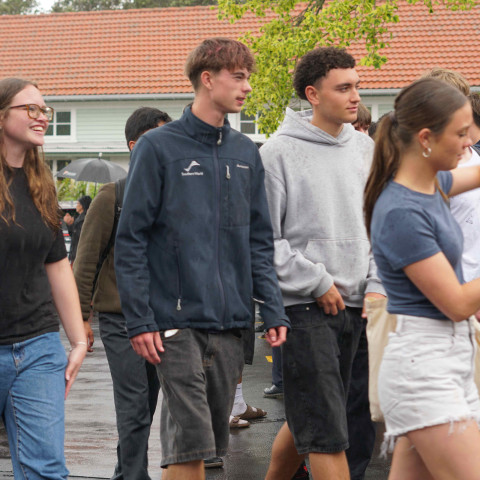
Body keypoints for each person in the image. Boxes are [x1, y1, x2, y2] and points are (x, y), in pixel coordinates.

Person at [114, 37, 290, 480]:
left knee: (206, 445)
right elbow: (131, 239)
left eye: (247, 76)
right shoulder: (157, 147)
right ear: (207, 80)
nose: (247, 86)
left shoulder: (246, 152)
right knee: (191, 439)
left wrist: (272, 307)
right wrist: (140, 319)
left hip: (229, 321)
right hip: (173, 322)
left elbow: (259, 240)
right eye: (239, 77)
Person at [261, 47, 385, 480]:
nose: (356, 97)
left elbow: (379, 226)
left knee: (309, 420)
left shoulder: (366, 148)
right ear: (313, 94)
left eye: (357, 86)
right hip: (306, 308)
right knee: (329, 431)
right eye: (344, 87)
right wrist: (316, 282)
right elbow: (264, 240)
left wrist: (375, 283)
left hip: (360, 304)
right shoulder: (276, 154)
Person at [364, 77, 480, 479]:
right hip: (424, 369)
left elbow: (476, 173)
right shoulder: (401, 211)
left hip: (446, 360)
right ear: (427, 138)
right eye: (462, 133)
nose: (470, 143)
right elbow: (458, 303)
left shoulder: (433, 185)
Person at [73, 107, 172, 480]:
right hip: (119, 319)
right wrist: (82, 319)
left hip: (163, 317)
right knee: (133, 404)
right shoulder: (112, 196)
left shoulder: (174, 194)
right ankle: (134, 475)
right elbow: (85, 262)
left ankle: (124, 470)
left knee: (148, 402)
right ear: (136, 146)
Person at [0, 77, 87, 479]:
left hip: (37, 348)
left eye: (44, 110)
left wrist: (80, 340)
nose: (41, 117)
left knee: (46, 470)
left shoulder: (41, 186)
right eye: (30, 109)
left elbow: (57, 265)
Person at [64, 194, 91, 264]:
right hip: (76, 253)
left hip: (77, 254)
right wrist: (70, 224)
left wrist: (70, 224)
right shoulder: (79, 218)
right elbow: (73, 235)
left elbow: (78, 235)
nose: (76, 205)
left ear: (82, 206)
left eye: (78, 203)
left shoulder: (83, 219)